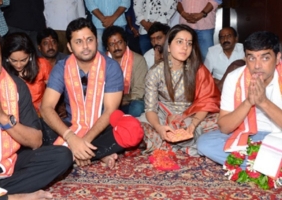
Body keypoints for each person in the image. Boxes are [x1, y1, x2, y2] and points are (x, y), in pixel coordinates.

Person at [0, 23, 72, 200]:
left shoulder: (15, 86)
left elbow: (36, 141)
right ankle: (12, 197)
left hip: (8, 164)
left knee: (62, 156)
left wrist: (2, 117)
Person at [40, 18, 143, 169]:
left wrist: (83, 142)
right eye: (78, 42)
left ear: (96, 41)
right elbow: (46, 107)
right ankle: (99, 153)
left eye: (89, 40)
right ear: (69, 46)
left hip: (102, 128)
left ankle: (76, 154)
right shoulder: (62, 67)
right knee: (41, 126)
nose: (86, 46)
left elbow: (110, 111)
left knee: (133, 130)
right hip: (72, 127)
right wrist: (72, 138)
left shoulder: (111, 67)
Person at [197, 31, 282, 166]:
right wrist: (248, 102)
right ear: (245, 58)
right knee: (205, 143)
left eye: (265, 58)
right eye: (251, 58)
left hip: (278, 136)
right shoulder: (234, 78)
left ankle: (252, 165)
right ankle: (266, 166)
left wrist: (263, 102)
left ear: (278, 58)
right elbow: (224, 128)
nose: (257, 65)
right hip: (247, 135)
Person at [141, 24, 220, 156]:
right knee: (136, 127)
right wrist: (159, 128)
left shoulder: (198, 70)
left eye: (189, 43)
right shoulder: (155, 72)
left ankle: (168, 145)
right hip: (163, 117)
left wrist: (192, 125)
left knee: (222, 120)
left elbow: (207, 102)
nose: (185, 47)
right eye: (179, 42)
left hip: (192, 116)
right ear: (169, 46)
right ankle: (188, 145)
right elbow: (150, 109)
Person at [102, 25, 147, 117]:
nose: (116, 47)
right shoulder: (101, 62)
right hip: (108, 101)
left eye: (119, 42)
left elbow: (140, 90)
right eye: (111, 44)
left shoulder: (138, 60)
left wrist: (122, 99)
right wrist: (113, 101)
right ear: (107, 47)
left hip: (131, 101)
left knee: (137, 108)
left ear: (126, 43)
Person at [2, 32, 52, 114]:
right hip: (13, 114)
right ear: (7, 57)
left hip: (39, 113)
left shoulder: (42, 65)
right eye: (13, 60)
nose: (18, 65)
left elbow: (53, 90)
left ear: (31, 56)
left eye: (23, 60)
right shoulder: (2, 70)